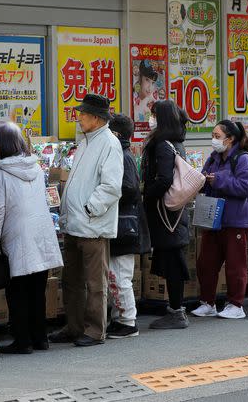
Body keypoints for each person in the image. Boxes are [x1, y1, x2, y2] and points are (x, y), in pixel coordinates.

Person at [51, 94, 123, 347]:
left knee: (94, 283)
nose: (79, 117)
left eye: (83, 113)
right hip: (76, 223)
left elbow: (112, 187)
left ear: (96, 117)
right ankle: (74, 326)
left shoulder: (109, 143)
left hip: (93, 225)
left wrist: (90, 208)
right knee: (71, 280)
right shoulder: (86, 141)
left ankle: (94, 330)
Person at [0, 121, 63, 354]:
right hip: (41, 234)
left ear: (1, 145)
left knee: (17, 292)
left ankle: (22, 341)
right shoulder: (36, 168)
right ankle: (40, 338)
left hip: (17, 237)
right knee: (37, 290)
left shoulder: (1, 174)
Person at [191, 120, 248, 319]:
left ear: (230, 139)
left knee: (235, 265)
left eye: (217, 136)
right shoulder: (213, 158)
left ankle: (236, 304)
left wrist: (219, 180)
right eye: (213, 135)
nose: (214, 140)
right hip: (214, 218)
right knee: (206, 263)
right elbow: (204, 180)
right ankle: (207, 302)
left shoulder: (243, 159)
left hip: (236, 219)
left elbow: (247, 187)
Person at [141, 100, 192, 328]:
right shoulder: (177, 142)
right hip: (174, 211)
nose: (150, 118)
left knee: (172, 260)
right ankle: (175, 309)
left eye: (153, 115)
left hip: (165, 213)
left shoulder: (163, 145)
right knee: (172, 258)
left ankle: (176, 311)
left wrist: (147, 196)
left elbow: (164, 179)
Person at [106, 114, 150, 339]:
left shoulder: (122, 156)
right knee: (116, 275)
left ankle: (127, 321)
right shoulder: (123, 153)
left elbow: (130, 188)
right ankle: (119, 318)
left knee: (119, 275)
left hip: (124, 224)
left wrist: (107, 196)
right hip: (126, 224)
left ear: (115, 134)